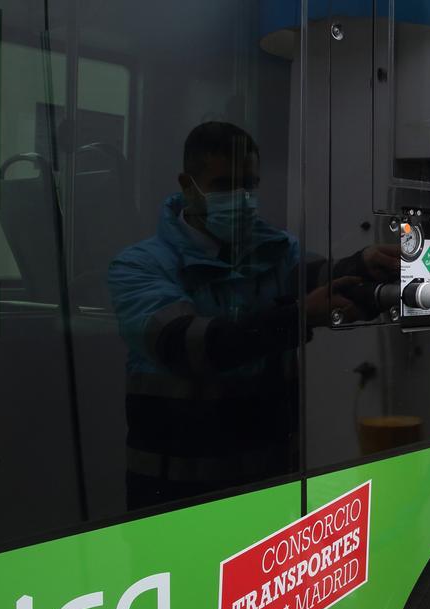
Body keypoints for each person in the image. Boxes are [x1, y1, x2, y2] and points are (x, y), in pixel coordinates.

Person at [109, 122, 395, 508]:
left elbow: (317, 278)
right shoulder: (140, 266)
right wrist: (298, 317)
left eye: (249, 184)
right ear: (187, 184)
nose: (240, 197)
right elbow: (191, 345)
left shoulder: (274, 250)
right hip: (174, 496)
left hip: (270, 486)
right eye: (225, 184)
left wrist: (363, 264)